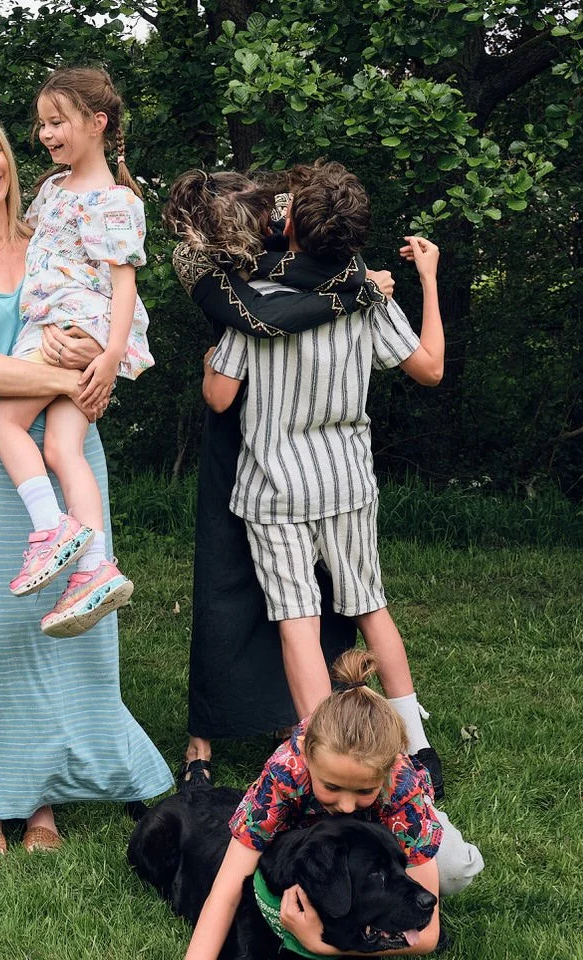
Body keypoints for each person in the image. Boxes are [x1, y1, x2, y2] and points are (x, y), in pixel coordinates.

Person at [0, 110, 172, 857]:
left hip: (69, 446)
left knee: (66, 626)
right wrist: (70, 376)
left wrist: (100, 362)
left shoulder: (54, 226)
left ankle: (46, 792)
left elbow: (113, 310)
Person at [200, 163, 447, 775]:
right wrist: (428, 280)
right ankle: (417, 748)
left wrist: (210, 362)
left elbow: (220, 397)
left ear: (289, 227)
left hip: (275, 487)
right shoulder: (366, 297)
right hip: (347, 482)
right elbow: (430, 369)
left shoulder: (257, 304)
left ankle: (321, 759)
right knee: (370, 607)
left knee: (298, 622)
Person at [125, 651, 482, 960]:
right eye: (332, 787)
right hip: (308, 842)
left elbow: (429, 937)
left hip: (369, 841)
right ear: (308, 758)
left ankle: (414, 859)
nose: (346, 806)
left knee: (451, 870)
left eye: (362, 791)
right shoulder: (284, 773)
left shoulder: (402, 787)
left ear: (386, 775)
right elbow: (224, 895)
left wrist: (320, 943)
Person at [163, 169, 391, 790]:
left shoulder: (291, 214)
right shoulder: (194, 257)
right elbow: (263, 316)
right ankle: (203, 738)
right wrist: (355, 293)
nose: (267, 227)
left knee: (306, 590)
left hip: (294, 410)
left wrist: (357, 283)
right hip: (237, 415)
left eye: (269, 217)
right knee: (225, 575)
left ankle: (298, 719)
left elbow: (330, 269)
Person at [0, 68, 149, 638]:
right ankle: (95, 567)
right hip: (67, 328)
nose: (46, 133)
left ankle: (51, 527)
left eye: (58, 122)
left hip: (70, 328)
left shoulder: (115, 201)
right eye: (42, 123)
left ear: (97, 123)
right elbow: (28, 244)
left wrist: (110, 355)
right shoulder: (53, 188)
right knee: (61, 447)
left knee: (1, 422)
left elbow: (124, 284)